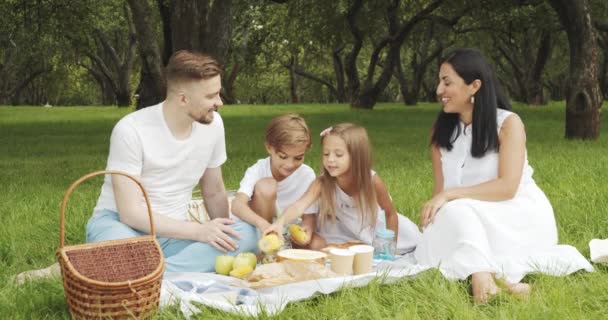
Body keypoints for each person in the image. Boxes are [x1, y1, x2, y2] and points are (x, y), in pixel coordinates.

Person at [414, 48, 592, 303]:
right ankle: (491, 282)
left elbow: (507, 187)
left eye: (447, 82)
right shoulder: (439, 131)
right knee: (441, 222)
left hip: (513, 214)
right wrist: (436, 216)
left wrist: (449, 196)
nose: (438, 91)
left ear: (474, 86)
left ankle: (483, 281)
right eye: (439, 81)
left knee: (456, 211)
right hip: (465, 217)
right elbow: (439, 193)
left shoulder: (508, 124)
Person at [86, 50, 258, 272]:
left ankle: (147, 275)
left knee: (250, 235)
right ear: (183, 98)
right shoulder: (131, 130)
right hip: (119, 226)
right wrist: (199, 232)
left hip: (174, 233)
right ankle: (148, 271)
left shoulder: (214, 125)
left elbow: (214, 190)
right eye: (211, 96)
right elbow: (130, 213)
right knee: (124, 254)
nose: (219, 102)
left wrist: (225, 234)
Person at [264, 123, 420, 252]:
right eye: (326, 154)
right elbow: (300, 205)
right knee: (327, 248)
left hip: (376, 229)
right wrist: (279, 223)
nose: (330, 160)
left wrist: (390, 245)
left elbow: (390, 213)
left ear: (356, 156)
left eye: (338, 155)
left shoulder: (372, 181)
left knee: (395, 250)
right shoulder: (323, 182)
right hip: (345, 230)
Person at [231, 114, 317, 235]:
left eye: (298, 158)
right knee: (267, 185)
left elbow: (310, 216)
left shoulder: (307, 175)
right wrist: (263, 224)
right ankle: (264, 241)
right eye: (283, 157)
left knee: (317, 244)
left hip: (287, 231)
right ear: (269, 147)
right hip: (257, 229)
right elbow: (237, 205)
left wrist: (306, 231)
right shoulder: (258, 170)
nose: (290, 164)